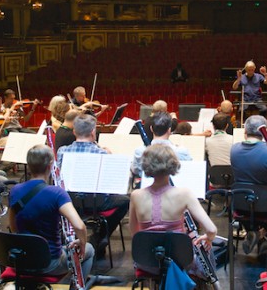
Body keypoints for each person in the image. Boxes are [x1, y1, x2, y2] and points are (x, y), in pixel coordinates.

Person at [129, 144, 216, 278]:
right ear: (173, 165)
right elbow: (211, 229)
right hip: (179, 261)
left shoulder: (136, 195)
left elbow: (135, 234)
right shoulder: (185, 194)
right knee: (206, 251)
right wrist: (208, 238)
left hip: (146, 261)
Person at [8, 144, 94, 279]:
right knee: (89, 249)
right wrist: (82, 242)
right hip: (50, 264)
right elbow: (79, 226)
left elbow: (13, 227)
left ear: (29, 165)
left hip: (21, 261)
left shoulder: (15, 190)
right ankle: (76, 286)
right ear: (50, 166)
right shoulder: (57, 193)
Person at [57, 114, 130, 256]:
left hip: (69, 202)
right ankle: (100, 237)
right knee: (125, 201)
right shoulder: (101, 152)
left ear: (74, 131)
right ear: (92, 132)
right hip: (97, 203)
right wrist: (109, 155)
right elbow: (110, 182)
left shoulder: (62, 151)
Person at [230, 115, 267, 254]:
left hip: (240, 204)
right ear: (265, 132)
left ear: (245, 131)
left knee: (250, 204)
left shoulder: (234, 149)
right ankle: (262, 234)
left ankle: (254, 234)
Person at [133, 112, 191, 177]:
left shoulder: (140, 151)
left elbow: (136, 172)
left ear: (151, 129)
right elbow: (189, 171)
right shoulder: (182, 151)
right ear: (169, 130)